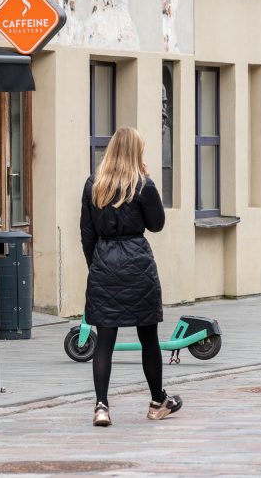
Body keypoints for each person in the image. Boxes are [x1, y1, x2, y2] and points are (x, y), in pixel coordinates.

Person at [79, 126, 181, 427]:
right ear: (137, 152)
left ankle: (101, 406)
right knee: (148, 336)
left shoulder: (93, 185)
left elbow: (86, 234)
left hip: (104, 261)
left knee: (105, 339)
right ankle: (157, 401)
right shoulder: (143, 185)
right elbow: (157, 224)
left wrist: (96, 265)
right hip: (138, 262)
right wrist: (149, 182)